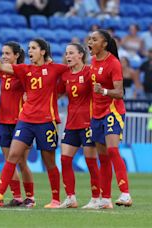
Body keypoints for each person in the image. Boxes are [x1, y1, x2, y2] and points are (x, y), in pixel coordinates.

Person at [0, 37, 68, 209]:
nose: (30, 51)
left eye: (34, 48)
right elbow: (0, 67)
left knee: (49, 162)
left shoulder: (55, 69)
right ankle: (0, 193)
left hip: (47, 121)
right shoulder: (24, 69)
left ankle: (55, 199)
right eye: (29, 48)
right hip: (25, 120)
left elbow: (73, 72)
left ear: (43, 52)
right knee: (13, 155)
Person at [88, 29, 132, 209]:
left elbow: (120, 93)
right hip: (96, 113)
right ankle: (105, 199)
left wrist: (104, 91)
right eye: (89, 39)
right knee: (103, 157)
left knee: (113, 150)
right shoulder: (91, 61)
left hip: (112, 111)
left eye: (94, 39)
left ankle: (125, 193)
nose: (90, 42)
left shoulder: (113, 63)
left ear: (104, 43)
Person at [57, 43, 100, 209]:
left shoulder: (89, 72)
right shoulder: (66, 75)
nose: (67, 56)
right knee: (65, 159)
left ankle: (96, 198)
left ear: (80, 55)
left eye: (71, 53)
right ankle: (71, 198)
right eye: (66, 53)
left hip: (88, 123)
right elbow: (57, 92)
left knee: (90, 161)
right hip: (71, 123)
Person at [0, 41, 34, 207]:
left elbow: (33, 88)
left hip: (21, 123)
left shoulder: (23, 72)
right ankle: (17, 197)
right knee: (8, 162)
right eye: (2, 53)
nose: (4, 56)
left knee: (21, 162)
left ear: (17, 55)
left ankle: (30, 197)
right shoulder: (3, 73)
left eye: (7, 53)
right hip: (4, 122)